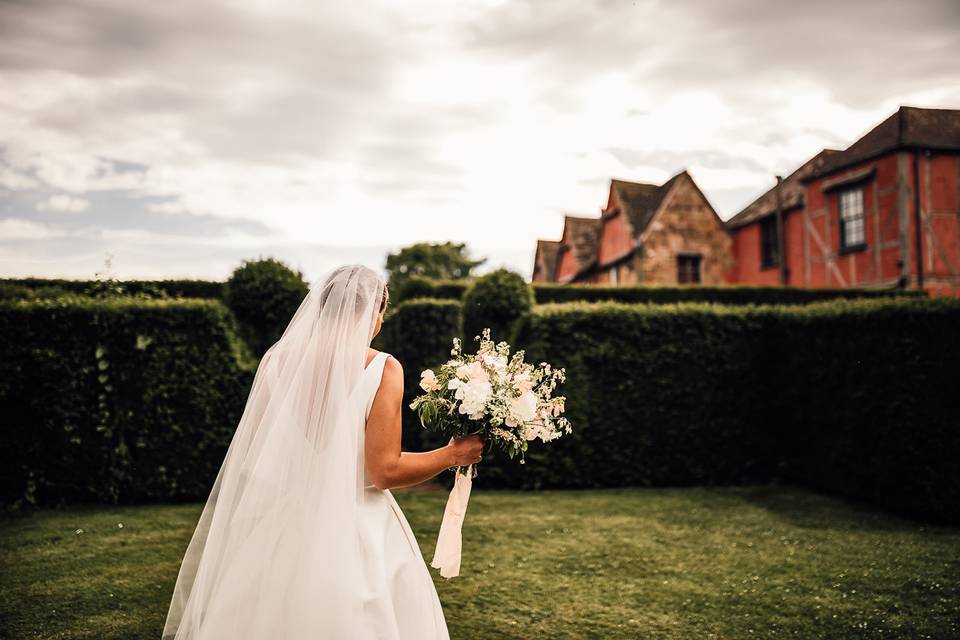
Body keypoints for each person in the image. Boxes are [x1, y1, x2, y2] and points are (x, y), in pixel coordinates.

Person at [163, 264, 484, 639]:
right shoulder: (382, 367)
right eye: (381, 312)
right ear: (374, 313)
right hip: (360, 532)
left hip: (284, 528)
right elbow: (384, 471)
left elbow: (264, 454)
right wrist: (452, 454)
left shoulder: (277, 362)